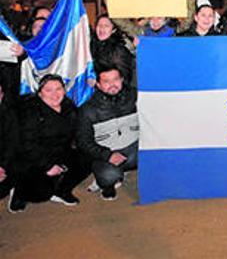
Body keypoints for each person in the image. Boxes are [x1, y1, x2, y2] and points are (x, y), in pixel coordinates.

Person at [6, 75, 89, 213]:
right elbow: (27, 144)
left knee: (86, 158)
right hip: (33, 158)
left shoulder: (69, 107)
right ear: (40, 93)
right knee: (41, 193)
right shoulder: (30, 110)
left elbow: (77, 134)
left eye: (58, 89)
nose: (54, 94)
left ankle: (62, 191)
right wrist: (48, 166)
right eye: (48, 90)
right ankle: (19, 192)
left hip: (59, 151)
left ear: (64, 90)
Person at [76, 64, 138, 201]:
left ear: (122, 79)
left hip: (134, 148)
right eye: (106, 81)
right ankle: (107, 185)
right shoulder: (87, 109)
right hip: (106, 154)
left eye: (115, 79)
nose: (112, 85)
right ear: (98, 84)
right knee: (108, 175)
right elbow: (83, 141)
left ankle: (125, 171)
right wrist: (107, 155)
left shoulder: (135, 96)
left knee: (156, 155)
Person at [91, 14, 135, 85]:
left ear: (113, 30)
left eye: (106, 26)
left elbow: (126, 77)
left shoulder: (118, 49)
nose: (102, 28)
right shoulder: (93, 45)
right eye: (99, 25)